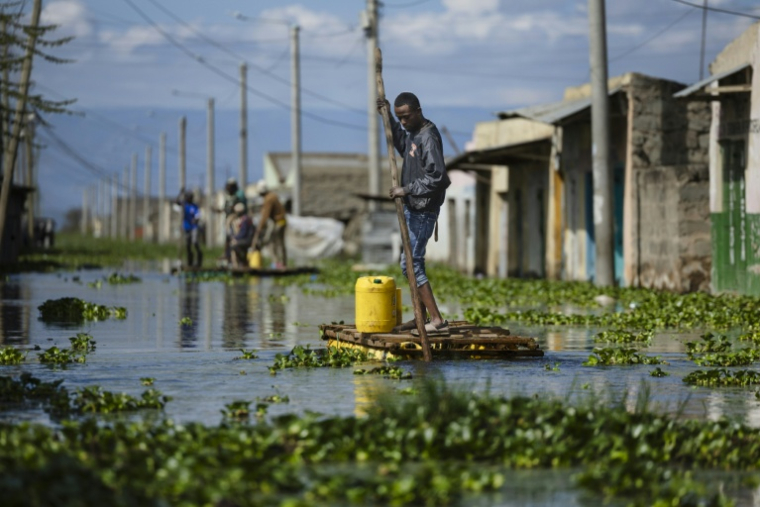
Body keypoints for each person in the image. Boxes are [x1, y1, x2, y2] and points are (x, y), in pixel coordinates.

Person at [377, 92, 451, 336]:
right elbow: (400, 142)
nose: (403, 123)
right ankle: (421, 317)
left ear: (418, 111)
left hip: (424, 209)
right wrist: (387, 115)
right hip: (413, 208)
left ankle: (437, 320)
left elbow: (438, 178)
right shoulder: (412, 134)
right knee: (408, 263)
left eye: (406, 117)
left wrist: (406, 189)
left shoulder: (428, 137)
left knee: (412, 264)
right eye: (400, 118)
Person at [251, 180, 287, 269]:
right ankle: (282, 263)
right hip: (281, 221)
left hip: (278, 222)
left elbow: (265, 215)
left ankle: (278, 263)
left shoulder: (268, 199)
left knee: (272, 242)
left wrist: (260, 227)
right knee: (280, 243)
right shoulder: (273, 196)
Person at [217, 178, 247, 263]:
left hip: (234, 221)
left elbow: (237, 209)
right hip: (228, 220)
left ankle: (234, 257)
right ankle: (227, 255)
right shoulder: (228, 197)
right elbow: (225, 208)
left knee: (233, 237)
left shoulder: (237, 197)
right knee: (228, 237)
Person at [175, 188, 202, 268]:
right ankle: (190, 262)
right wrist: (180, 194)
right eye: (188, 197)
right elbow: (176, 203)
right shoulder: (184, 205)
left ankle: (199, 258)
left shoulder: (195, 206)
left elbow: (198, 215)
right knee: (188, 245)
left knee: (195, 242)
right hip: (186, 227)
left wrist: (196, 219)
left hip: (194, 227)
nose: (189, 198)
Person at [227, 202, 254, 267]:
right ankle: (242, 262)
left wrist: (235, 238)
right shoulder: (245, 218)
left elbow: (243, 233)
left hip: (247, 240)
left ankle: (243, 262)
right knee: (235, 246)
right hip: (246, 239)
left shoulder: (245, 219)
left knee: (234, 246)